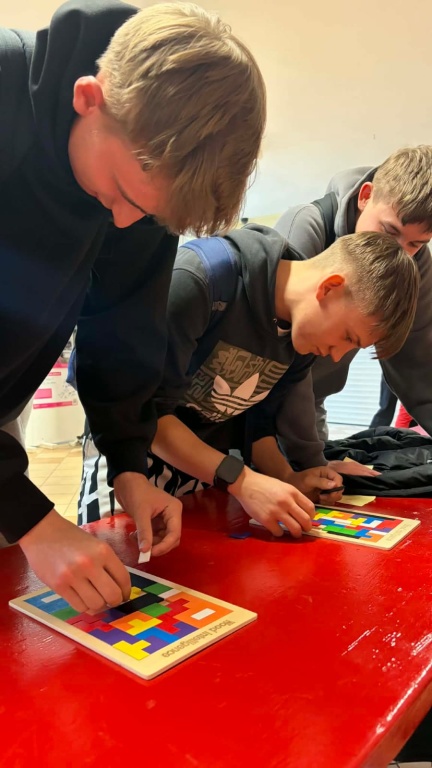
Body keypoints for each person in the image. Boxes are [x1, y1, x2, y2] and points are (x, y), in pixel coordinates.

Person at [0, 0, 266, 613]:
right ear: (89, 98)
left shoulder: (142, 187)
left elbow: (122, 328)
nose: (123, 223)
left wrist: (128, 463)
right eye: (120, 194)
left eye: (147, 214)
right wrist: (31, 517)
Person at [77, 226, 418, 539]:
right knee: (119, 565)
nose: (337, 355)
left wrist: (287, 478)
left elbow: (257, 427)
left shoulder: (299, 341)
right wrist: (243, 480)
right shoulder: (201, 280)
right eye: (347, 337)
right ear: (330, 288)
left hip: (205, 469)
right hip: (128, 459)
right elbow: (146, 414)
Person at [275, 145, 432, 476]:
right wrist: (311, 461)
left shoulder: (416, 265)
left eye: (415, 244)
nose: (399, 253)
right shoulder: (306, 227)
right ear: (365, 196)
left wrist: (314, 462)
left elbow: (418, 368)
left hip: (311, 408)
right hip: (258, 408)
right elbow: (277, 362)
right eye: (390, 231)